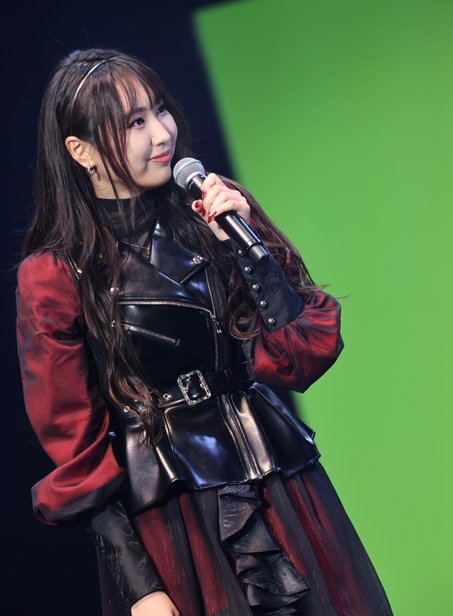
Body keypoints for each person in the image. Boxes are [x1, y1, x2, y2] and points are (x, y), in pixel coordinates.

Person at [16, 47, 393, 616]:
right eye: (134, 122)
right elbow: (75, 446)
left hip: (280, 489)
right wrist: (139, 586)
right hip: (176, 522)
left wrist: (251, 255)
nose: (161, 133)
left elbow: (301, 356)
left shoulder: (212, 212)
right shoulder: (55, 275)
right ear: (81, 150)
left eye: (159, 110)